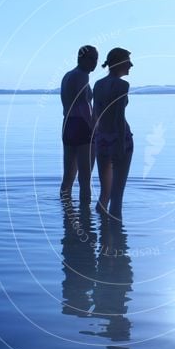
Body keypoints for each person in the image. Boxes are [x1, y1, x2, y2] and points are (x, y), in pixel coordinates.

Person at [93, 47, 133, 220]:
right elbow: (118, 116)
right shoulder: (122, 85)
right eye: (128, 61)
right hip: (119, 138)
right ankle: (118, 243)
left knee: (104, 195)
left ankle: (99, 237)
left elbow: (95, 115)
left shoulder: (98, 84)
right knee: (117, 197)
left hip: (101, 139)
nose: (131, 64)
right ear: (119, 63)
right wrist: (120, 146)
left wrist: (96, 139)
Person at [60, 45, 98, 204]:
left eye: (97, 59)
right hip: (81, 125)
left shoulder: (67, 75)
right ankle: (86, 217)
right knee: (85, 178)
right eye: (92, 59)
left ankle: (67, 217)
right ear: (82, 58)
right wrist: (93, 127)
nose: (95, 63)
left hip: (68, 125)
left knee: (68, 176)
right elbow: (83, 104)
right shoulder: (82, 76)